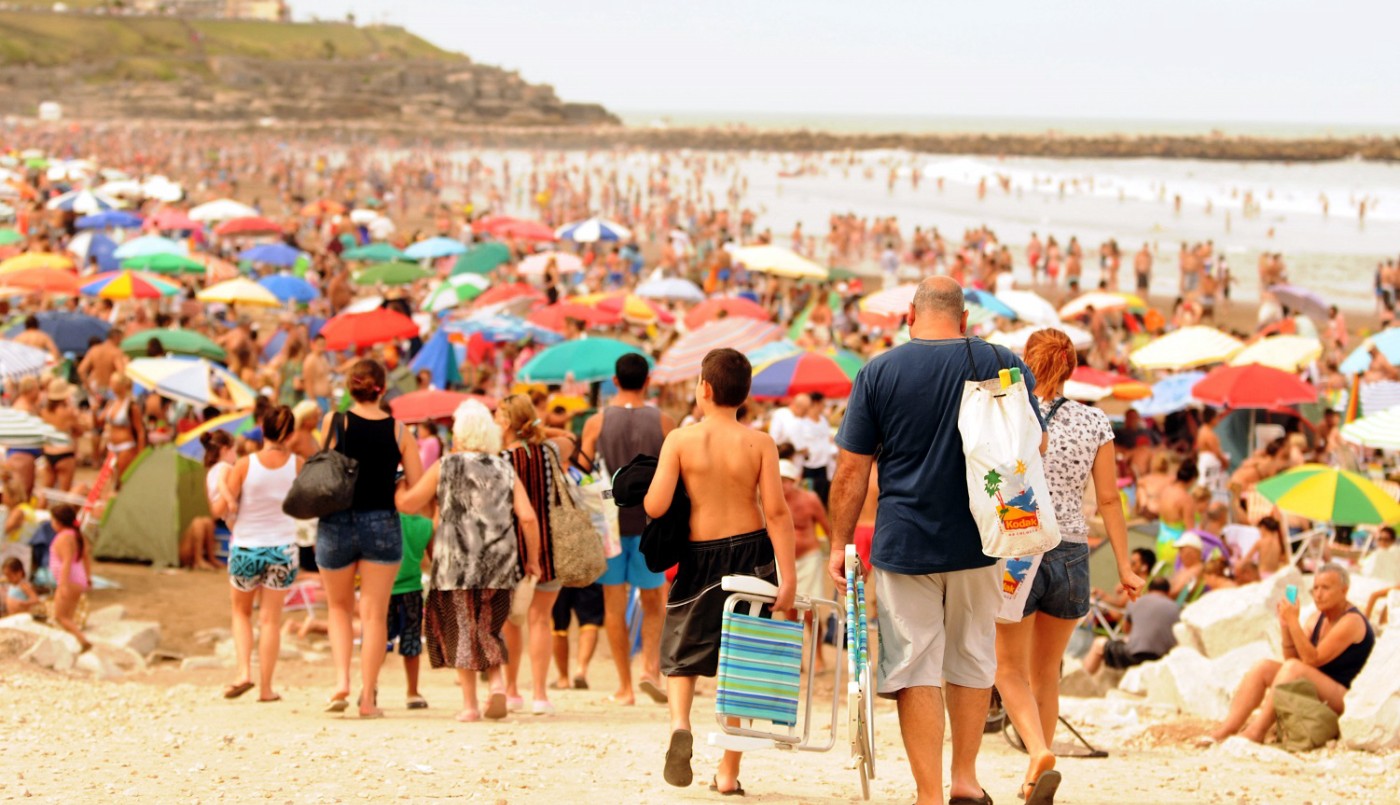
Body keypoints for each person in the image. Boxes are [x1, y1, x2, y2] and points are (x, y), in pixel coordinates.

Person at [827, 276, 1042, 805]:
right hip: (984, 537)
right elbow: (1031, 445)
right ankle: (964, 779)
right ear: (965, 319)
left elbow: (852, 470)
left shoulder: (879, 372)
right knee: (972, 656)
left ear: (909, 315)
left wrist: (838, 544)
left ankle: (928, 793)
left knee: (914, 664)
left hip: (905, 541)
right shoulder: (1002, 362)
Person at [994, 328, 1144, 804]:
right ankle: (1034, 774)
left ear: (1026, 361)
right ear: (1071, 369)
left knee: (1007, 668)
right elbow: (1109, 500)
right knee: (1047, 672)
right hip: (1073, 551)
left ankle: (1038, 751)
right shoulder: (1095, 421)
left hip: (1020, 545)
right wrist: (1125, 568)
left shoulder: (1008, 411)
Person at [644, 348, 796, 797]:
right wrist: (788, 578)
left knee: (682, 649)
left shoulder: (680, 440)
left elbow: (656, 505)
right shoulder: (760, 443)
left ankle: (680, 725)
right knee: (744, 661)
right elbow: (778, 513)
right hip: (752, 554)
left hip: (699, 556)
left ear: (705, 389)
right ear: (745, 394)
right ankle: (728, 773)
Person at [395, 400, 542, 722]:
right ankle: (497, 684)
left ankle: (470, 706)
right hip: (499, 561)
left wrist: (399, 484)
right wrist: (533, 560)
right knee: (489, 626)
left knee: (461, 628)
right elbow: (528, 517)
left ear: (459, 432)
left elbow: (408, 504)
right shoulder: (504, 467)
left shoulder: (446, 466)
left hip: (455, 562)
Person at [316, 359, 423, 718]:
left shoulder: (334, 422)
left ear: (350, 387)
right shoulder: (399, 431)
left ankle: (341, 682)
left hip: (336, 520)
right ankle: (367, 699)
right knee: (374, 614)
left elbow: (324, 464)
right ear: (383, 388)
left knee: (338, 607)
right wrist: (392, 482)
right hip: (381, 521)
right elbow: (416, 484)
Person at [579, 353, 675, 706]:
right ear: (647, 381)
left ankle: (625, 687)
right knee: (654, 601)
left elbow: (583, 473)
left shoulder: (596, 422)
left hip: (610, 526)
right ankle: (650, 669)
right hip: (652, 523)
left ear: (615, 381)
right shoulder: (664, 421)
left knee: (613, 605)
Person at [1205, 564, 1375, 745]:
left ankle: (1257, 731)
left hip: (1346, 696)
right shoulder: (1316, 618)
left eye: (1325, 588)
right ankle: (1227, 729)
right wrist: (1286, 626)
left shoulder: (1352, 621)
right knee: (1264, 667)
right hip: (1320, 686)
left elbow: (1312, 659)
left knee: (1293, 668)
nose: (1318, 594)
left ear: (1344, 590)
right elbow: (1293, 661)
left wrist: (1293, 620)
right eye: (1315, 588)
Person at [497, 393, 577, 715]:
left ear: (506, 422)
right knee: (541, 619)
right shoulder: (550, 451)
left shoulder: (501, 458)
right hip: (550, 545)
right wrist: (542, 429)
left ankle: (512, 690)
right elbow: (571, 438)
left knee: (511, 620)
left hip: (512, 548)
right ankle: (541, 694)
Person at [221, 405, 303, 702]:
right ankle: (266, 688)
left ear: (261, 429)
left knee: (241, 613)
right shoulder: (298, 465)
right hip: (282, 549)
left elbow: (225, 506)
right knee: (270, 620)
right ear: (291, 434)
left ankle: (244, 672)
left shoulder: (245, 464)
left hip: (246, 546)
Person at [779, 457, 832, 671]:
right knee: (789, 610)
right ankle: (795, 658)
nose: (783, 484)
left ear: (794, 480)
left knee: (810, 611)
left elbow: (826, 526)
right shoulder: (770, 500)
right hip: (784, 559)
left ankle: (818, 654)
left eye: (786, 480)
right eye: (779, 480)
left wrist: (837, 552)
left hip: (809, 557)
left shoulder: (809, 499)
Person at [1083, 576, 1180, 674]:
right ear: (1168, 592)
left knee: (1098, 644)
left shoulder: (1136, 601)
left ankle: (1082, 677)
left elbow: (1126, 630)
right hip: (1161, 658)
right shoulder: (1175, 608)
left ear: (1149, 590)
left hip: (1135, 655)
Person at [390, 512, 434, 711]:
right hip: (412, 589)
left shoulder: (383, 520)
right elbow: (433, 559)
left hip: (382, 590)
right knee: (412, 642)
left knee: (377, 640)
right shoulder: (425, 525)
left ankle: (370, 687)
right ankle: (412, 692)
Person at [47, 504, 91, 652]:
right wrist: (88, 577)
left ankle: (83, 641)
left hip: (69, 580)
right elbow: (85, 557)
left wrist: (62, 585)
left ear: (58, 522)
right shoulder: (76, 535)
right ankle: (73, 645)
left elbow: (66, 562)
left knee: (60, 616)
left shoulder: (65, 537)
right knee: (68, 617)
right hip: (78, 579)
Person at [550, 584, 603, 690]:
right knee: (590, 621)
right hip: (589, 576)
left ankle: (563, 678)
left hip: (560, 578)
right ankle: (581, 671)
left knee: (559, 625)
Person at [101, 372, 146, 484]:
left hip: (126, 446)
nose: (110, 386)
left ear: (122, 386)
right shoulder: (111, 403)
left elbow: (140, 431)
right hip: (111, 446)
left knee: (123, 480)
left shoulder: (131, 406)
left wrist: (140, 454)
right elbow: (99, 421)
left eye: (113, 383)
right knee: (110, 481)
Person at [1156, 460, 1199, 566]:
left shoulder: (1166, 490)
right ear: (1192, 479)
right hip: (1176, 546)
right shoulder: (1186, 499)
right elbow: (1190, 530)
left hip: (1161, 542)